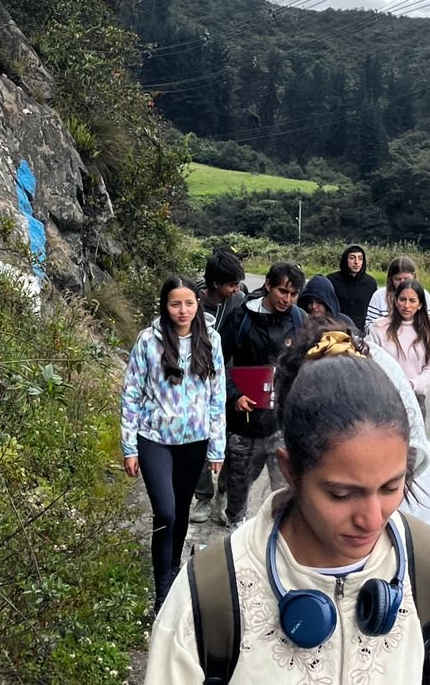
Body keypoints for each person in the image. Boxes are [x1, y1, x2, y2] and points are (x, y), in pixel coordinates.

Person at [146, 324, 430, 683]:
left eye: (391, 487)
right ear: (289, 471)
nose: (372, 519)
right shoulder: (207, 597)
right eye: (341, 494)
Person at [120, 276, 225, 612]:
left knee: (180, 513)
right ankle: (162, 591)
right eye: (175, 304)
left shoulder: (211, 340)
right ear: (165, 306)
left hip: (194, 439)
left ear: (198, 304)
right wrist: (129, 447)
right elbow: (131, 393)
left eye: (189, 303)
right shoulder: (148, 341)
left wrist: (217, 447)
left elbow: (217, 395)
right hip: (154, 438)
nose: (183, 310)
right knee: (165, 511)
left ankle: (174, 567)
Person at [218, 261, 306, 527]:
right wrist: (234, 396)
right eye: (282, 291)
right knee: (239, 485)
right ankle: (232, 520)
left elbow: (306, 363)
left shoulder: (299, 320)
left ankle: (278, 534)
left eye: (293, 294)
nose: (287, 299)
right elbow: (216, 363)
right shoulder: (241, 318)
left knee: (286, 486)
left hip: (281, 422)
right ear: (268, 285)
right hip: (244, 421)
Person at [191, 250, 246, 524]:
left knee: (229, 442)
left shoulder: (238, 301)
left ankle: (223, 493)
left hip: (229, 380)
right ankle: (203, 495)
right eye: (231, 284)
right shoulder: (193, 301)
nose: (236, 289)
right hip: (198, 381)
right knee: (200, 439)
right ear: (214, 283)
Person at [368, 279, 430, 417]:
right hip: (383, 399)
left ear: (420, 304)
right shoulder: (379, 327)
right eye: (402, 299)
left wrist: (412, 385)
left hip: (415, 399)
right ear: (395, 301)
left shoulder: (429, 329)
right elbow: (369, 364)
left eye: (412, 301)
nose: (406, 305)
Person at [365, 255, 430, 326]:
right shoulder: (379, 295)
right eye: (398, 279)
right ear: (391, 279)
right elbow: (369, 326)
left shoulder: (423, 294)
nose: (402, 282)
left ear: (414, 276)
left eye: (407, 279)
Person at [326, 243, 376, 331]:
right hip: (337, 328)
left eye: (360, 258)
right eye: (352, 258)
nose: (356, 262)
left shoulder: (370, 283)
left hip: (361, 330)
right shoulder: (331, 280)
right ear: (345, 260)